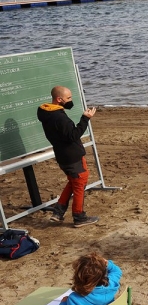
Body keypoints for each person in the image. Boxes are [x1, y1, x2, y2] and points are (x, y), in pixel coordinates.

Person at [36, 86, 99, 227]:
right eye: (68, 98)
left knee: (73, 181)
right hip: (72, 156)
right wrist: (85, 118)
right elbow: (74, 135)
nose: (70, 101)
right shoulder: (59, 117)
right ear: (59, 99)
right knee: (80, 183)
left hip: (61, 155)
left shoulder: (46, 112)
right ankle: (79, 216)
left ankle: (58, 212)